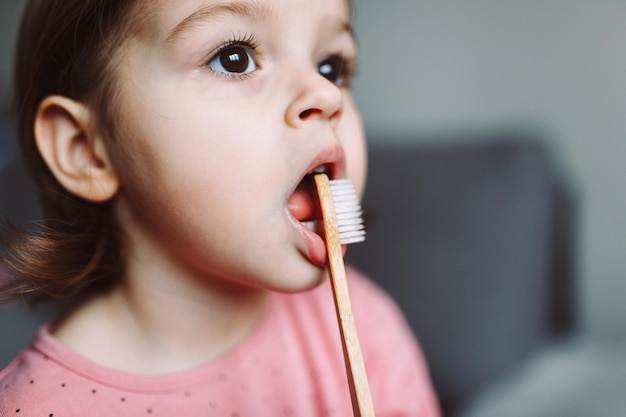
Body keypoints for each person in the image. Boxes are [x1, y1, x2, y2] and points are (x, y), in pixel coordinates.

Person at [0, 0, 440, 415]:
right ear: (88, 150)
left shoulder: (366, 325)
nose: (326, 96)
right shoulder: (35, 404)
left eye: (331, 66)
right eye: (235, 58)